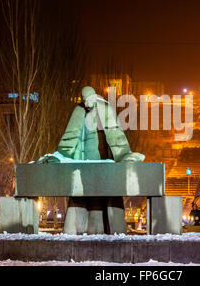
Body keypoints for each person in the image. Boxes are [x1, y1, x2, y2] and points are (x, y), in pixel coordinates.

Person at [55, 86, 144, 234]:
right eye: (84, 101)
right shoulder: (79, 111)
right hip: (84, 160)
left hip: (102, 160)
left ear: (94, 96)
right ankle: (82, 226)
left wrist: (122, 155)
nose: (87, 104)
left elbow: (116, 135)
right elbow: (71, 135)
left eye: (88, 100)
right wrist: (62, 154)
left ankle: (104, 226)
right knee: (83, 194)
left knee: (103, 193)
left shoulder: (105, 109)